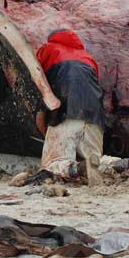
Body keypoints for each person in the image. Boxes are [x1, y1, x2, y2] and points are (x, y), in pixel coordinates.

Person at [35, 29, 105, 188]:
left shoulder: (48, 49)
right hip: (96, 117)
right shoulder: (88, 58)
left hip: (67, 113)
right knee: (97, 161)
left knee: (53, 164)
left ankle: (78, 168)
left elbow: (40, 84)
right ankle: (125, 163)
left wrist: (45, 128)